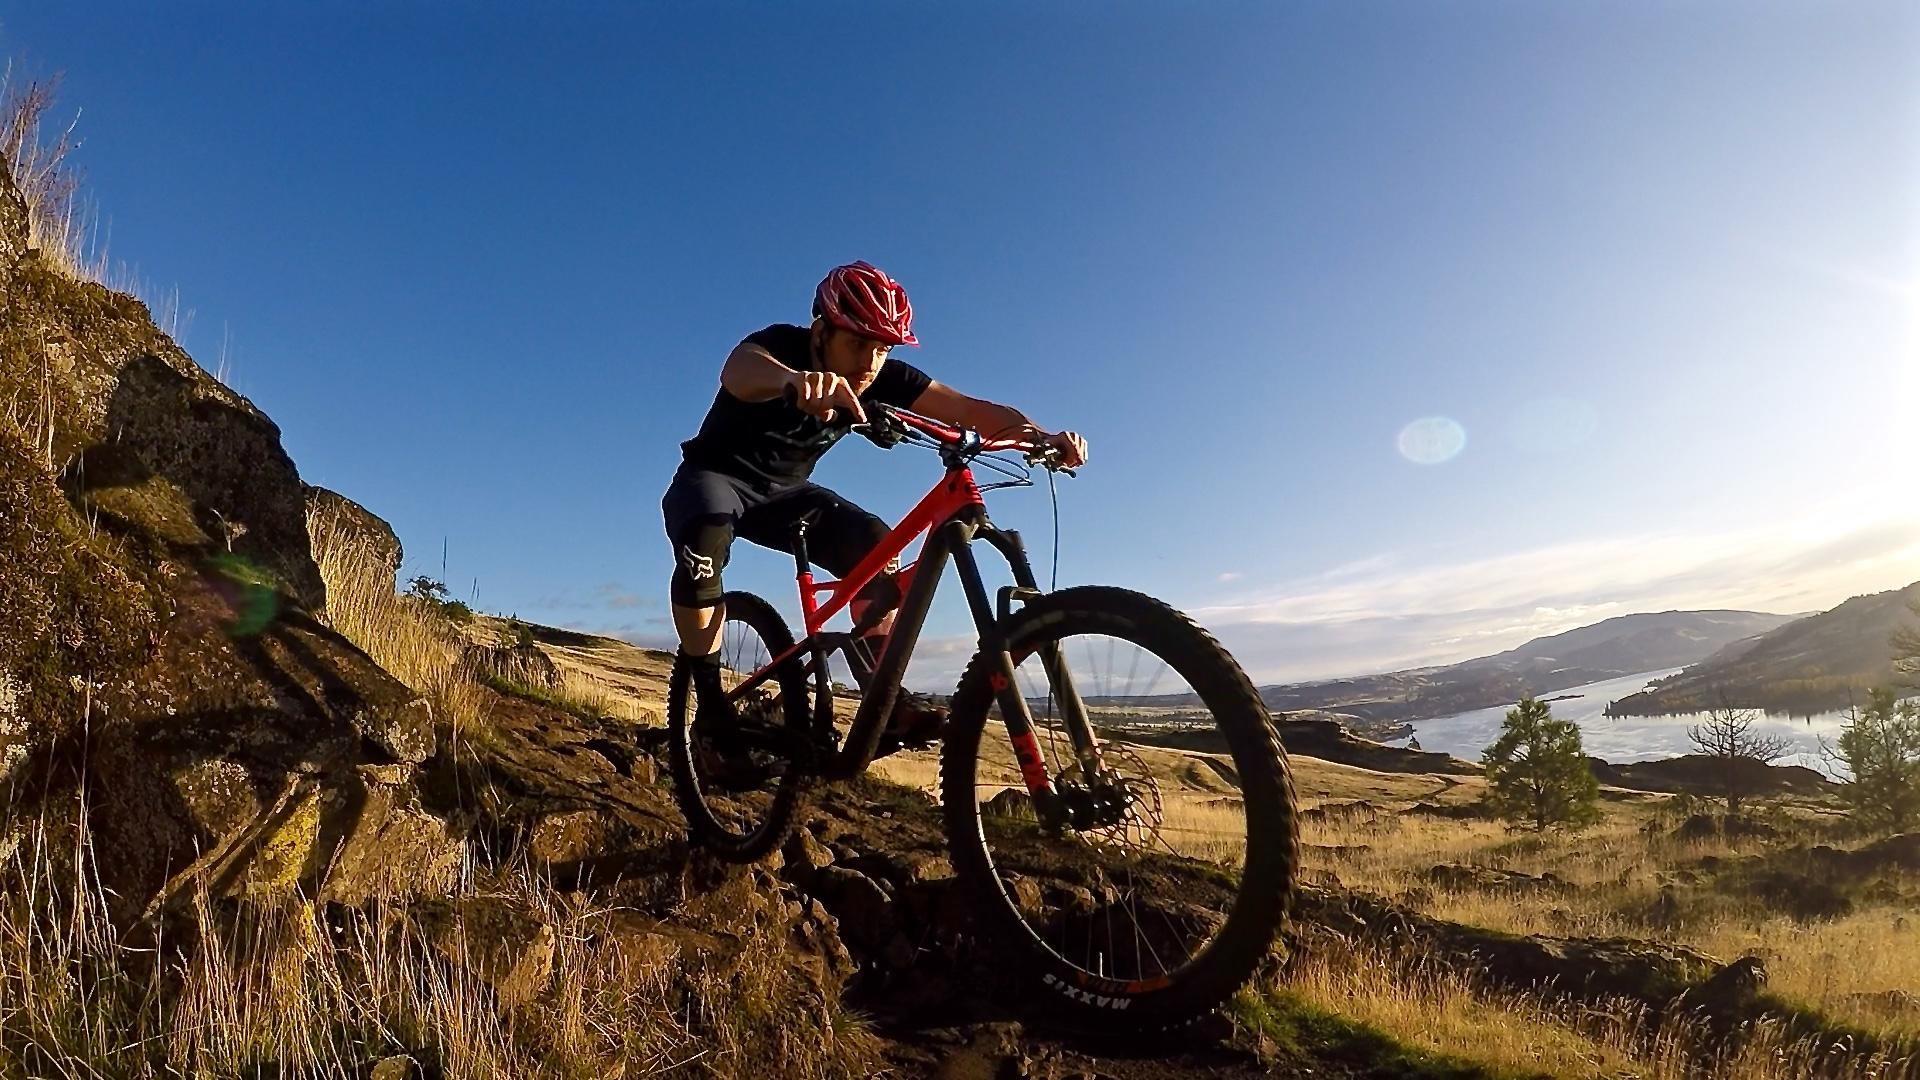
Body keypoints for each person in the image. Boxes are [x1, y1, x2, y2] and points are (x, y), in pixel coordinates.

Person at [663, 261, 1088, 755]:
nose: (870, 362)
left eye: (883, 348)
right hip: (716, 477)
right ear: (822, 331)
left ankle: (882, 707)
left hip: (787, 495)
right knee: (705, 544)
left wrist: (1042, 437)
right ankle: (713, 708)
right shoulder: (783, 345)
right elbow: (739, 371)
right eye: (858, 344)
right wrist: (796, 382)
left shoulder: (880, 376)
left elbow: (971, 411)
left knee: (874, 542)